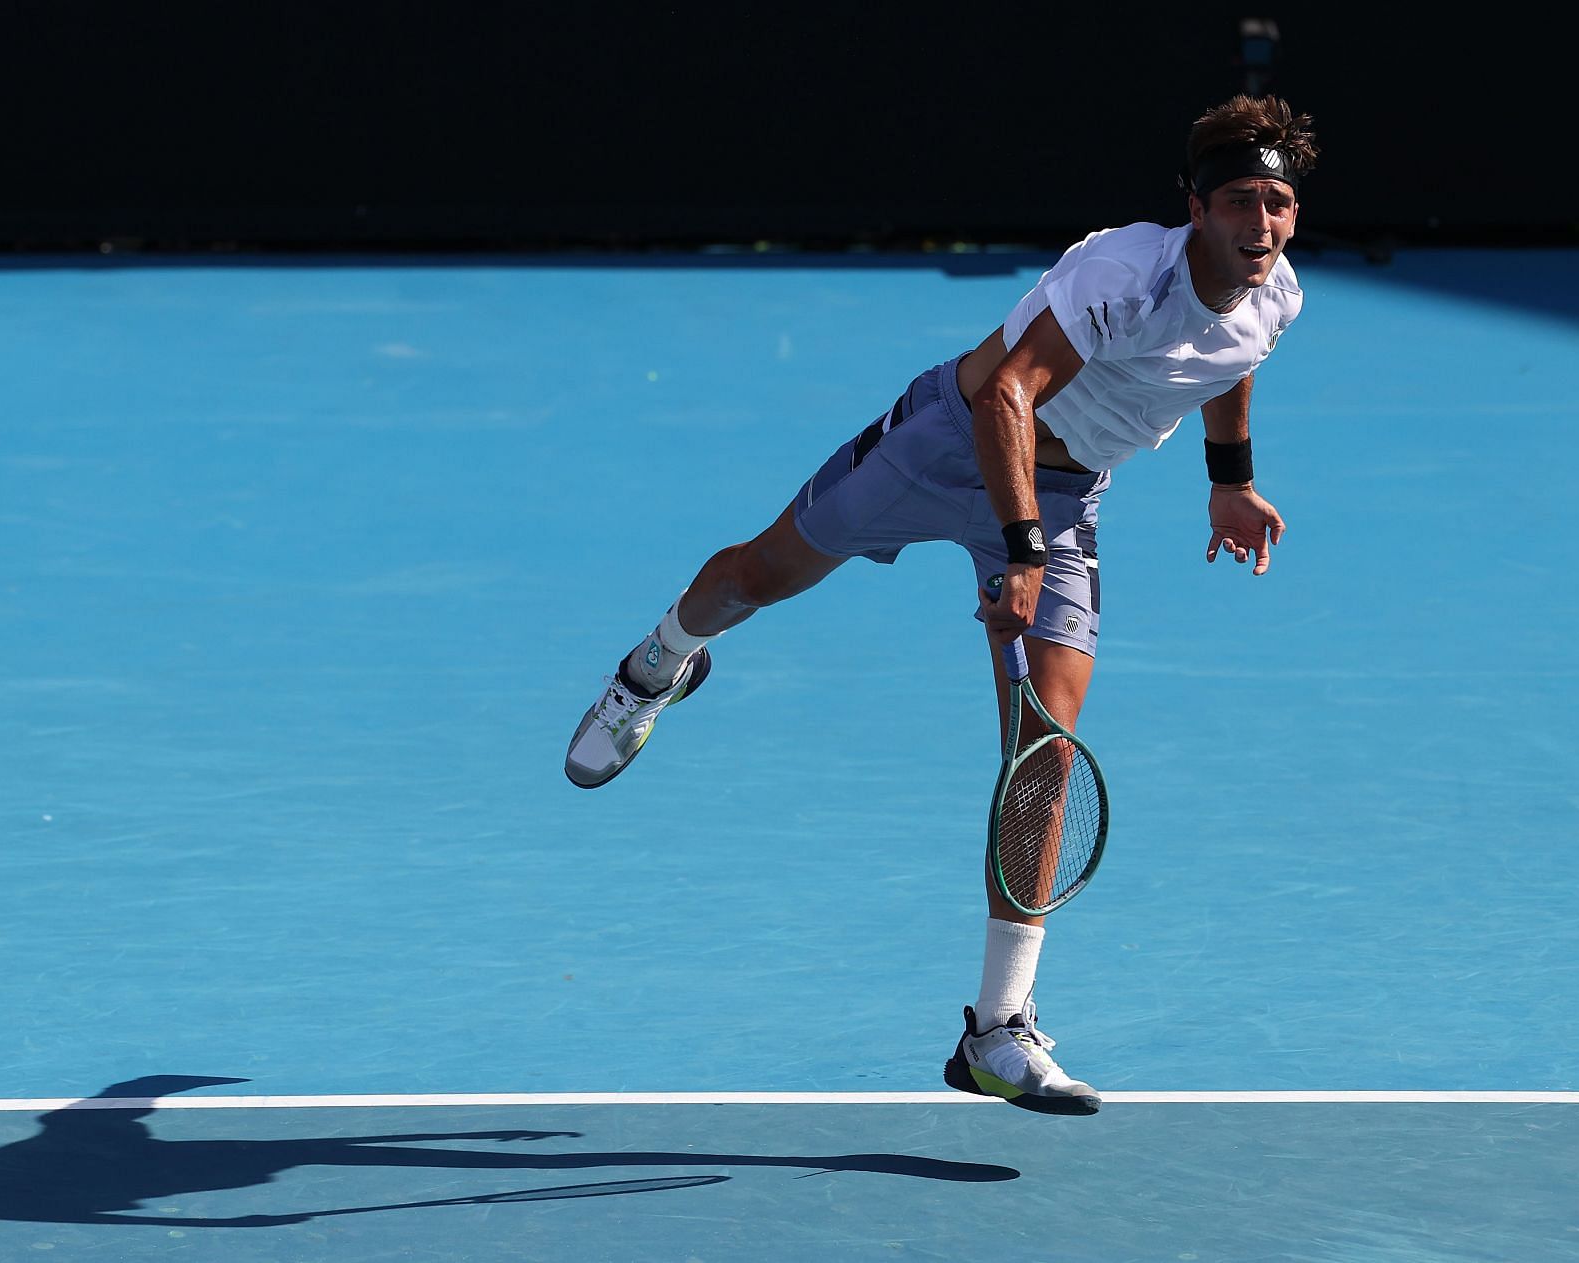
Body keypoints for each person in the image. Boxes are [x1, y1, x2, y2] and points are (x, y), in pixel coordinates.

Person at [564, 94, 1319, 1115]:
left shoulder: (1277, 299)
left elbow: (1228, 363)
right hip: (945, 444)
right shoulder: (1120, 274)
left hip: (1065, 494)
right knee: (755, 576)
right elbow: (1009, 392)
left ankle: (996, 1030)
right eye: (1239, 202)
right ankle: (658, 663)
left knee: (1045, 749)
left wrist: (1228, 477)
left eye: (1277, 203)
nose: (1260, 225)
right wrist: (1017, 549)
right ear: (1194, 204)